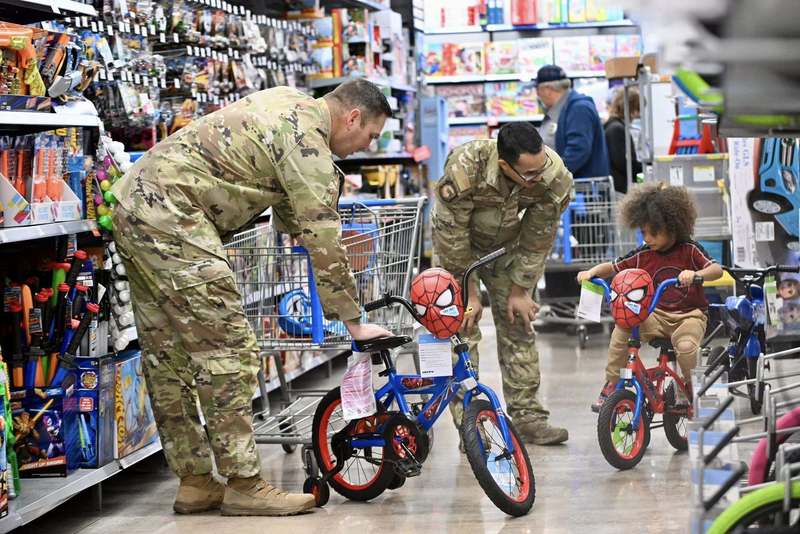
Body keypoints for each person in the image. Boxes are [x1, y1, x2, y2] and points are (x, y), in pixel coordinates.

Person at [110, 79, 394, 516]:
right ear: (352, 117)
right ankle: (245, 484)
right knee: (229, 350)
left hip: (137, 203)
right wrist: (354, 320)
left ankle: (196, 481)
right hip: (174, 218)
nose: (364, 147)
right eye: (370, 136)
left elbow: (285, 207)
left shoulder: (287, 101)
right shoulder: (308, 140)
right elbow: (323, 238)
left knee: (168, 355)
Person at [432, 122, 573, 446]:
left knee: (519, 324)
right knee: (462, 332)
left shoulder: (554, 177)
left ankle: (528, 418)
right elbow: (451, 238)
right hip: (459, 249)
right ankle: (471, 426)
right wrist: (469, 293)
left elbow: (539, 236)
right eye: (529, 175)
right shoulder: (467, 167)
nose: (537, 177)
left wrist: (521, 290)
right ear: (505, 165)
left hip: (508, 251)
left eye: (541, 169)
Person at [576, 183, 723, 412]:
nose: (648, 238)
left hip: (689, 317)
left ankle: (693, 389)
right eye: (643, 232)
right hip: (655, 314)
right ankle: (613, 382)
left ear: (673, 227)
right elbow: (614, 266)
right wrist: (592, 272)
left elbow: (717, 270)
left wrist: (695, 274)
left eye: (654, 232)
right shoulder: (644, 254)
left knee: (685, 347)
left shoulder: (689, 250)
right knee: (623, 328)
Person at [536, 64, 610, 179]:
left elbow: (578, 151)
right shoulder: (560, 109)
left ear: (547, 90)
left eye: (537, 90)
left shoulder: (579, 109)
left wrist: (551, 176)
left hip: (583, 188)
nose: (537, 95)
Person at [605, 87, 642, 195]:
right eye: (637, 109)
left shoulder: (613, 126)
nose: (638, 114)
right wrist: (644, 169)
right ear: (631, 108)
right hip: (619, 187)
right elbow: (622, 162)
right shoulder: (617, 129)